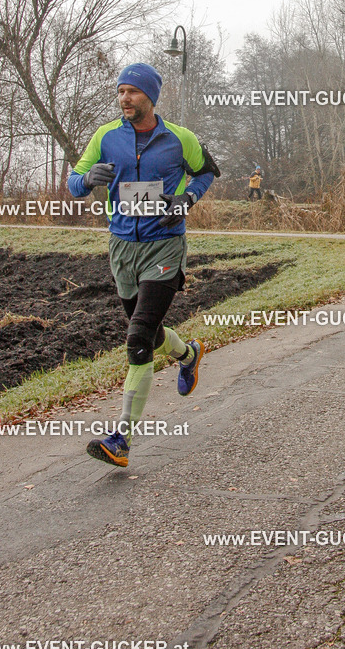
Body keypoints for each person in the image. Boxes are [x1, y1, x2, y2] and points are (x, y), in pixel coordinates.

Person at [67, 62, 219, 467]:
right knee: (149, 334)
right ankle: (187, 354)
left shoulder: (179, 138)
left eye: (132, 92)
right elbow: (74, 180)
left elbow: (207, 172)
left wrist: (185, 201)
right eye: (120, 92)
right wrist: (87, 179)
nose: (124, 99)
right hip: (122, 248)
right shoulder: (105, 136)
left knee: (137, 338)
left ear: (150, 96)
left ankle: (121, 440)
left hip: (164, 247)